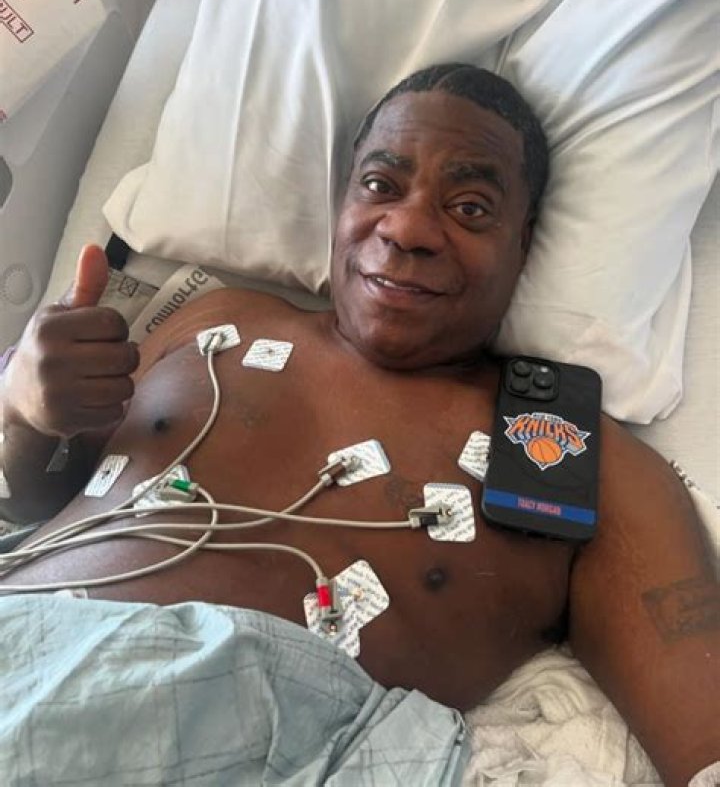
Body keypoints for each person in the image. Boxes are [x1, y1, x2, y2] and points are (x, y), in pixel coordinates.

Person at [0, 64, 717, 786]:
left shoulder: (575, 455)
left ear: (523, 242)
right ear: (344, 200)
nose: (407, 229)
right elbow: (45, 503)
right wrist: (25, 414)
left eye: (470, 207)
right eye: (380, 185)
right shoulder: (215, 322)